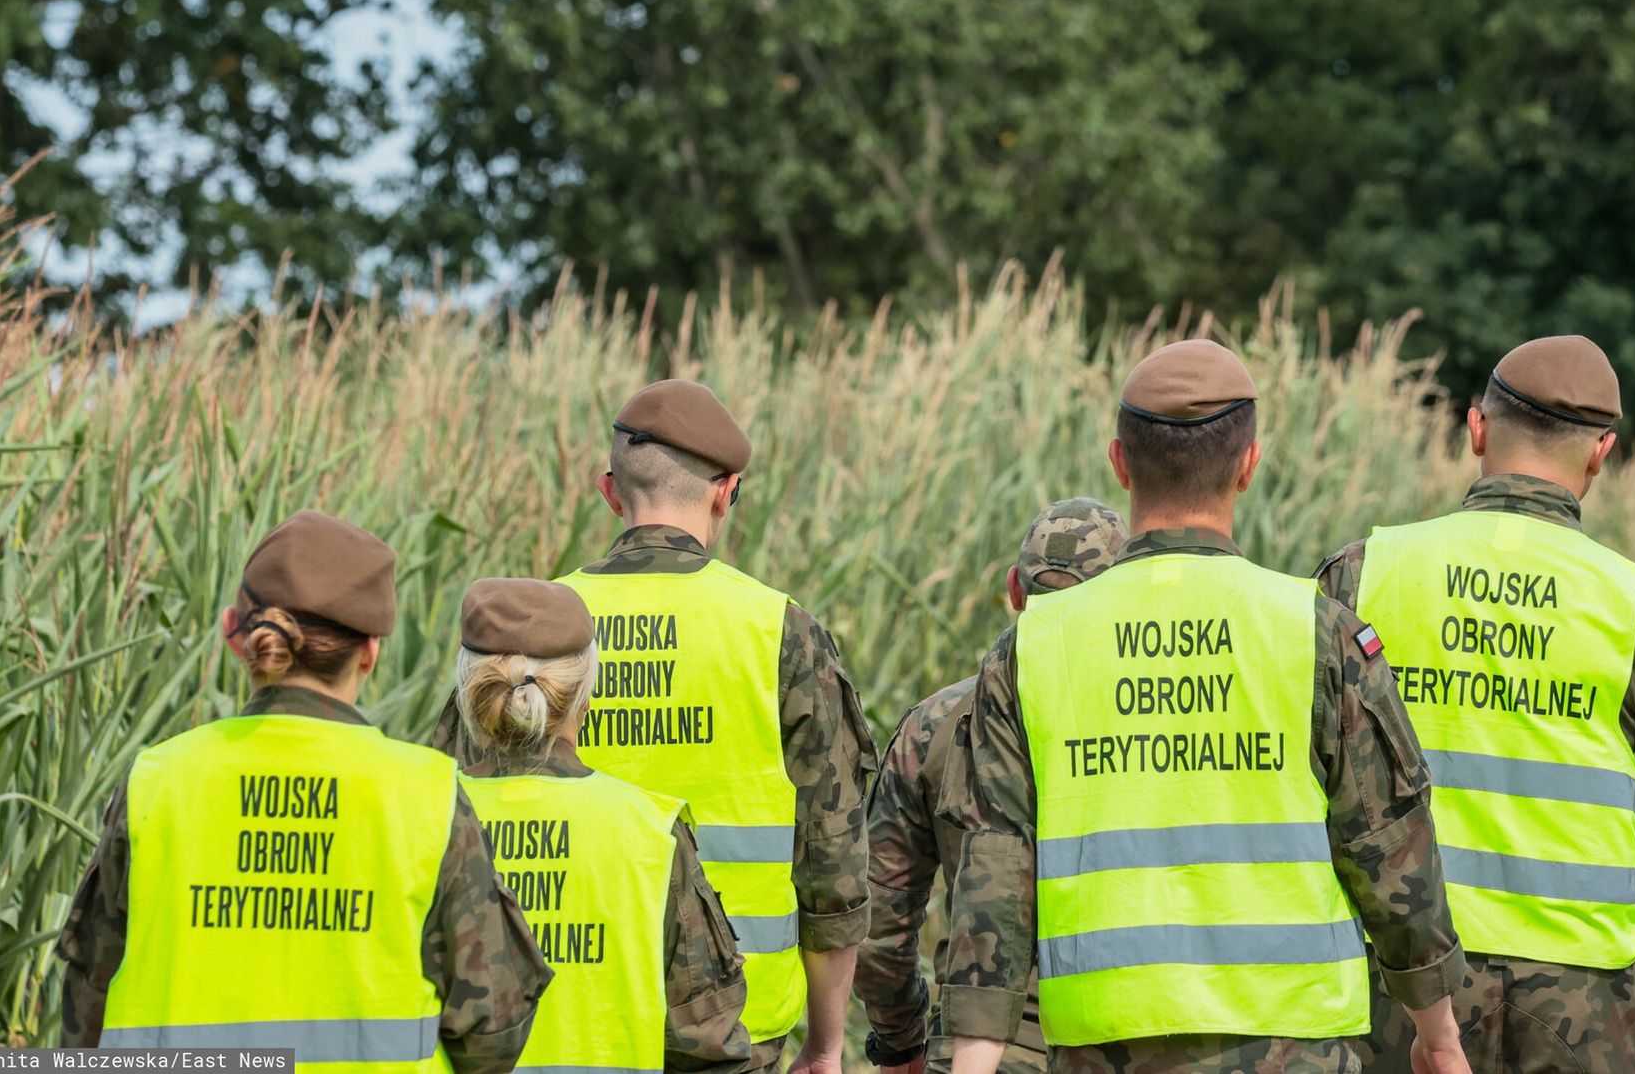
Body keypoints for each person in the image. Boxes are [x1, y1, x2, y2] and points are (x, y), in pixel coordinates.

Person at [939, 339, 1471, 1074]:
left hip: (1104, 1047)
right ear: (1249, 464)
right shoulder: (1318, 632)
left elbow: (994, 871)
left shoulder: (1032, 645)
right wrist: (1438, 1035)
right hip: (1293, 1047)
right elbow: (1388, 847)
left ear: (1120, 463)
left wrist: (973, 1057)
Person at [1316, 335, 1635, 1074]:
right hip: (1587, 1012)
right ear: (1601, 453)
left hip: (1402, 993)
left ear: (1477, 428)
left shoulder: (1360, 578)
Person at [58, 510, 551, 1074]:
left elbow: (86, 999)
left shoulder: (156, 781)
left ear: (233, 633)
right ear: (369, 652)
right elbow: (491, 1032)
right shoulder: (425, 794)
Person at [556, 378, 875, 1071]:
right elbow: (832, 859)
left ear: (610, 492)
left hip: (566, 1019)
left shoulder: (537, 625)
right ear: (726, 492)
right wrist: (826, 1042)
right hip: (736, 1026)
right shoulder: (777, 628)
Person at [858, 498, 1129, 1074]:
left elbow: (879, 916)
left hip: (975, 1045)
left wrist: (899, 1037)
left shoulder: (933, 725)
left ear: (1014, 590)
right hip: (1124, 1036)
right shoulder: (1153, 727)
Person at [448, 576, 756, 1073]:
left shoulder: (423, 816)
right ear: (584, 695)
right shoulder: (651, 831)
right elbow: (707, 1044)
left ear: (470, 694)